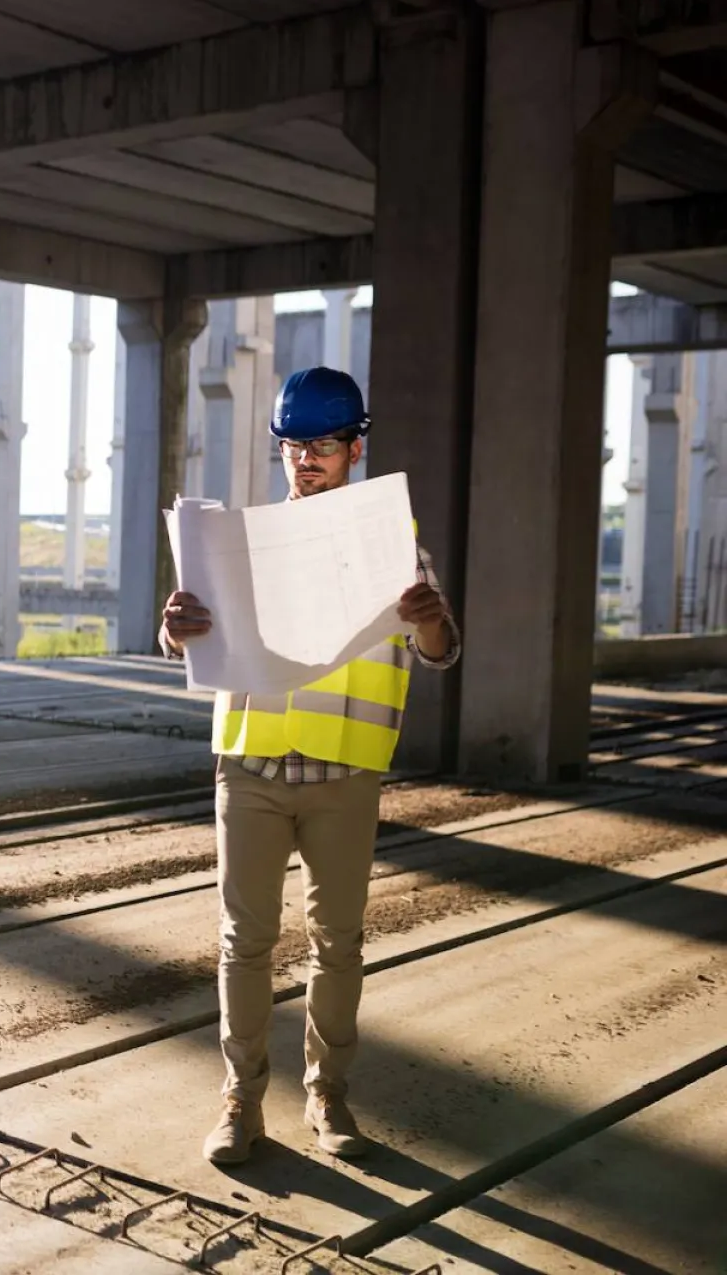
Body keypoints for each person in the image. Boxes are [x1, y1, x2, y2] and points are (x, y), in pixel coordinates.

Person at [158, 366, 460, 1166]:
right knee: (243, 943)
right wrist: (176, 626)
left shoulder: (399, 549)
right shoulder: (242, 543)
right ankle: (241, 1101)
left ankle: (328, 1097)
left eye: (321, 445)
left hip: (343, 772)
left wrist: (430, 621)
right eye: (292, 447)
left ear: (355, 448)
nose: (305, 460)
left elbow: (440, 652)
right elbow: (188, 639)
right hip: (251, 764)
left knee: (338, 944)